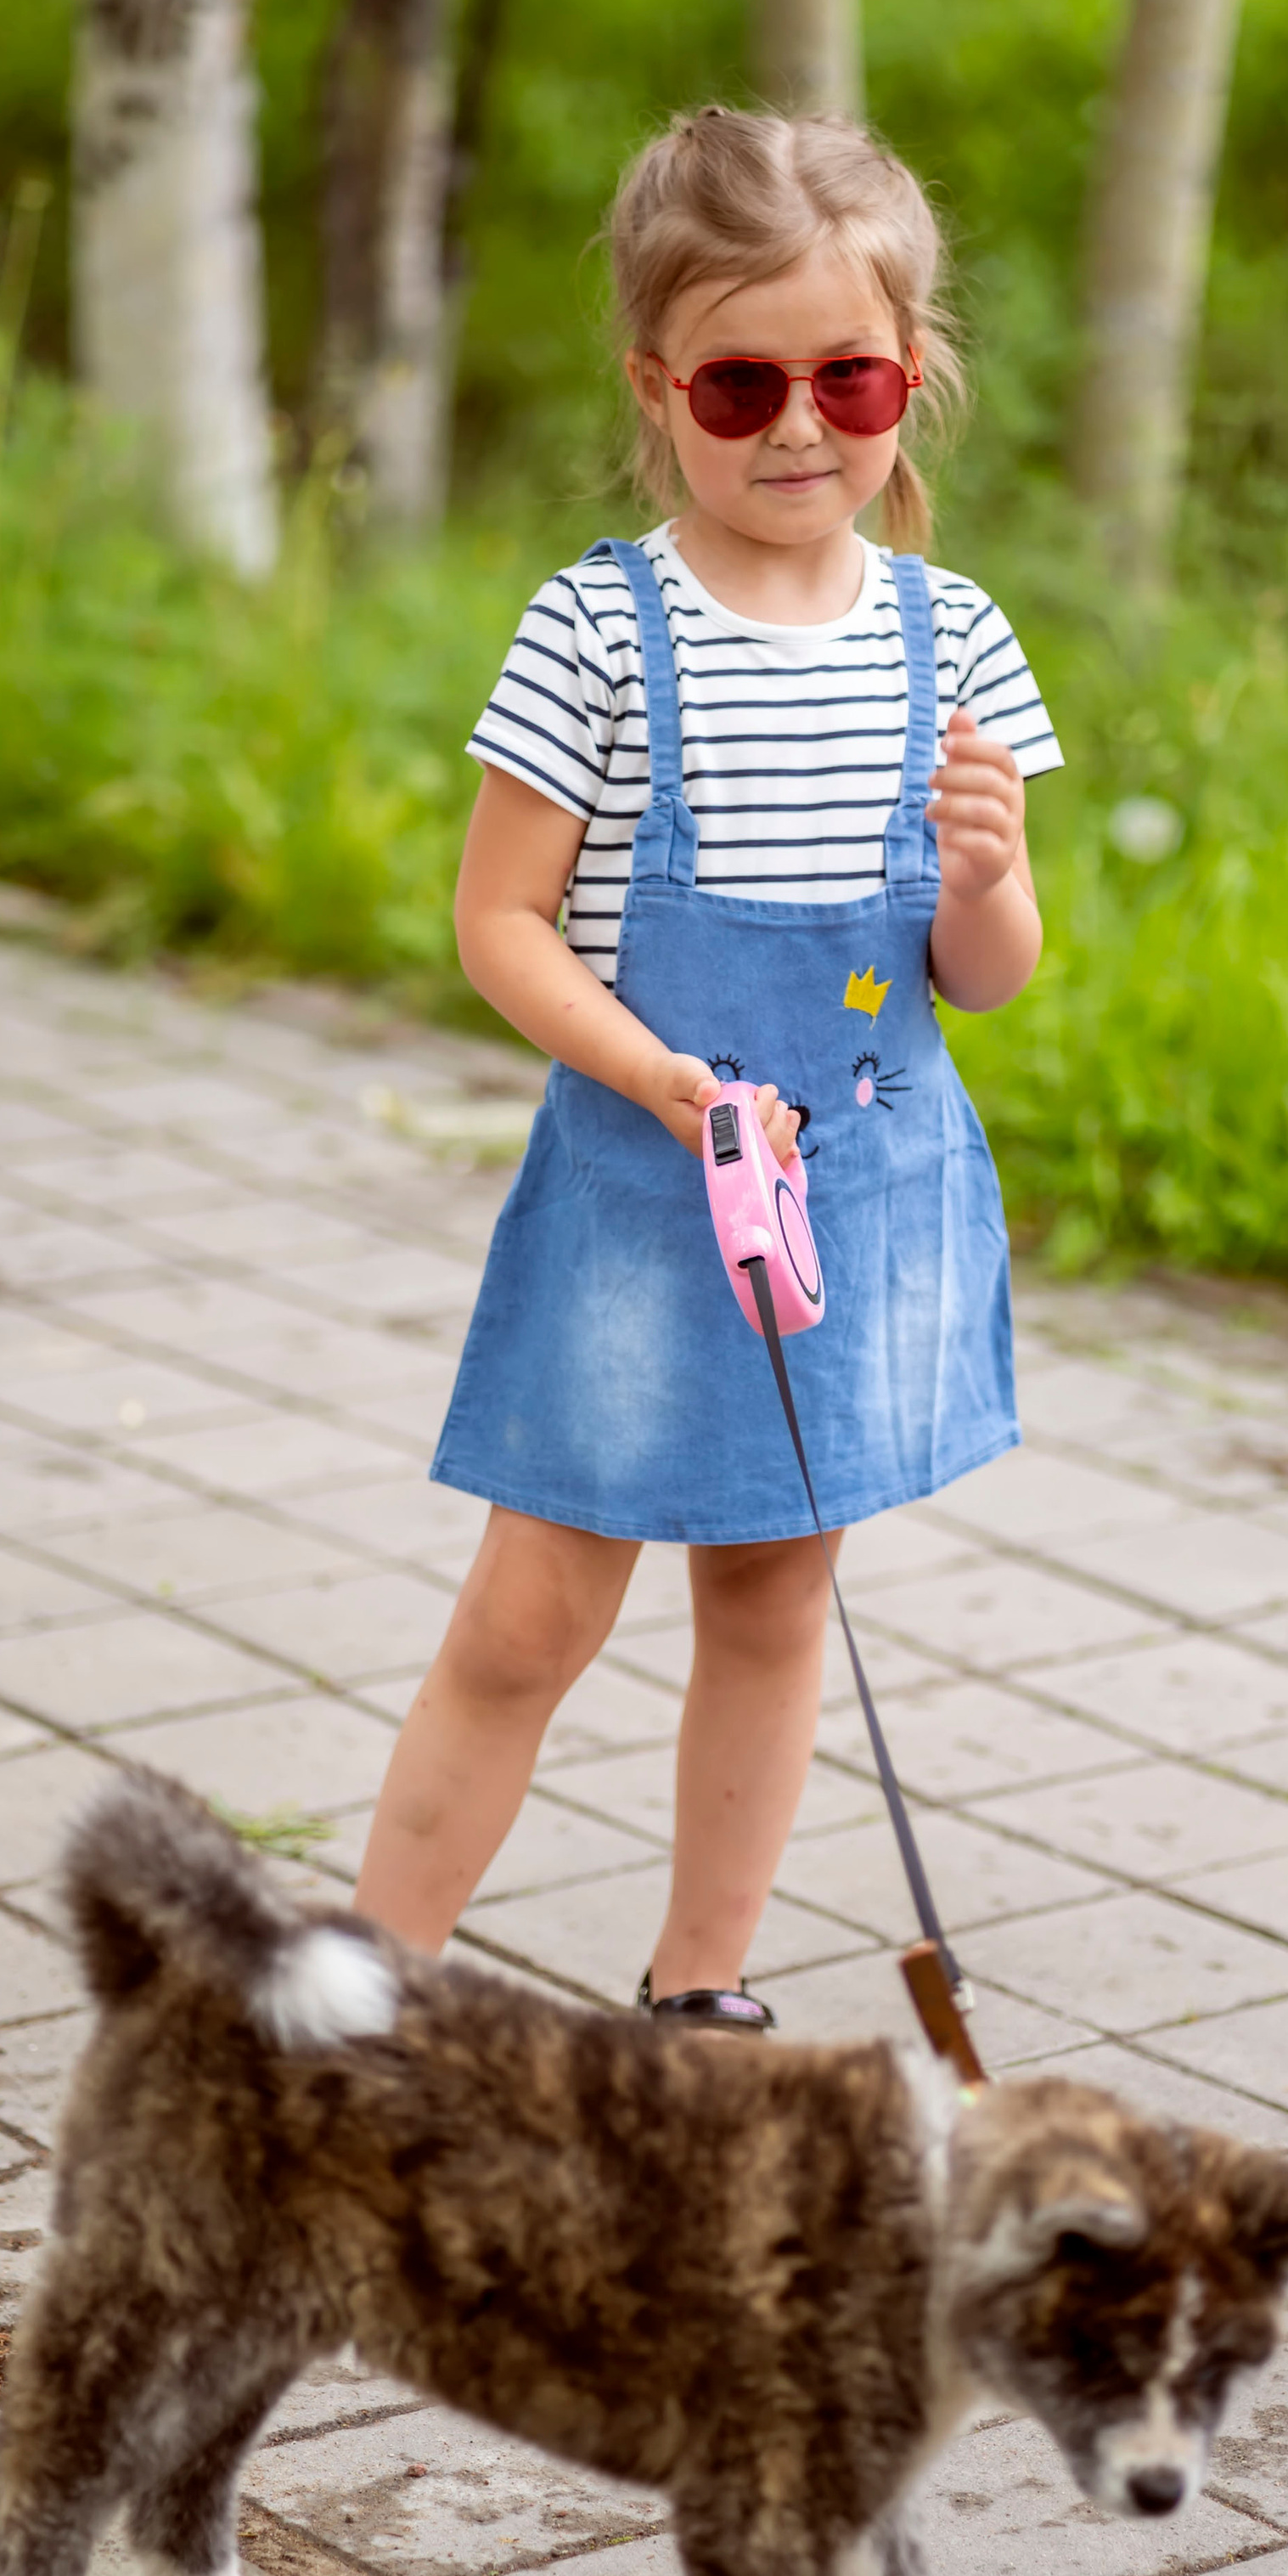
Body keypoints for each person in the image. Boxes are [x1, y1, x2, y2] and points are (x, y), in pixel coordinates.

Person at [352, 106, 1060, 2029]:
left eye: (851, 377)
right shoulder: (601, 629)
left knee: (768, 1603)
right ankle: (357, 2004)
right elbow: (496, 924)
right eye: (743, 384)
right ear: (658, 390)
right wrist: (659, 1077)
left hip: (845, 1198)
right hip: (646, 1197)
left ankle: (698, 1993)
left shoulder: (951, 639)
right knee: (528, 1618)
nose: (799, 429)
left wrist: (989, 879)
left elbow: (975, 981)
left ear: (911, 379)